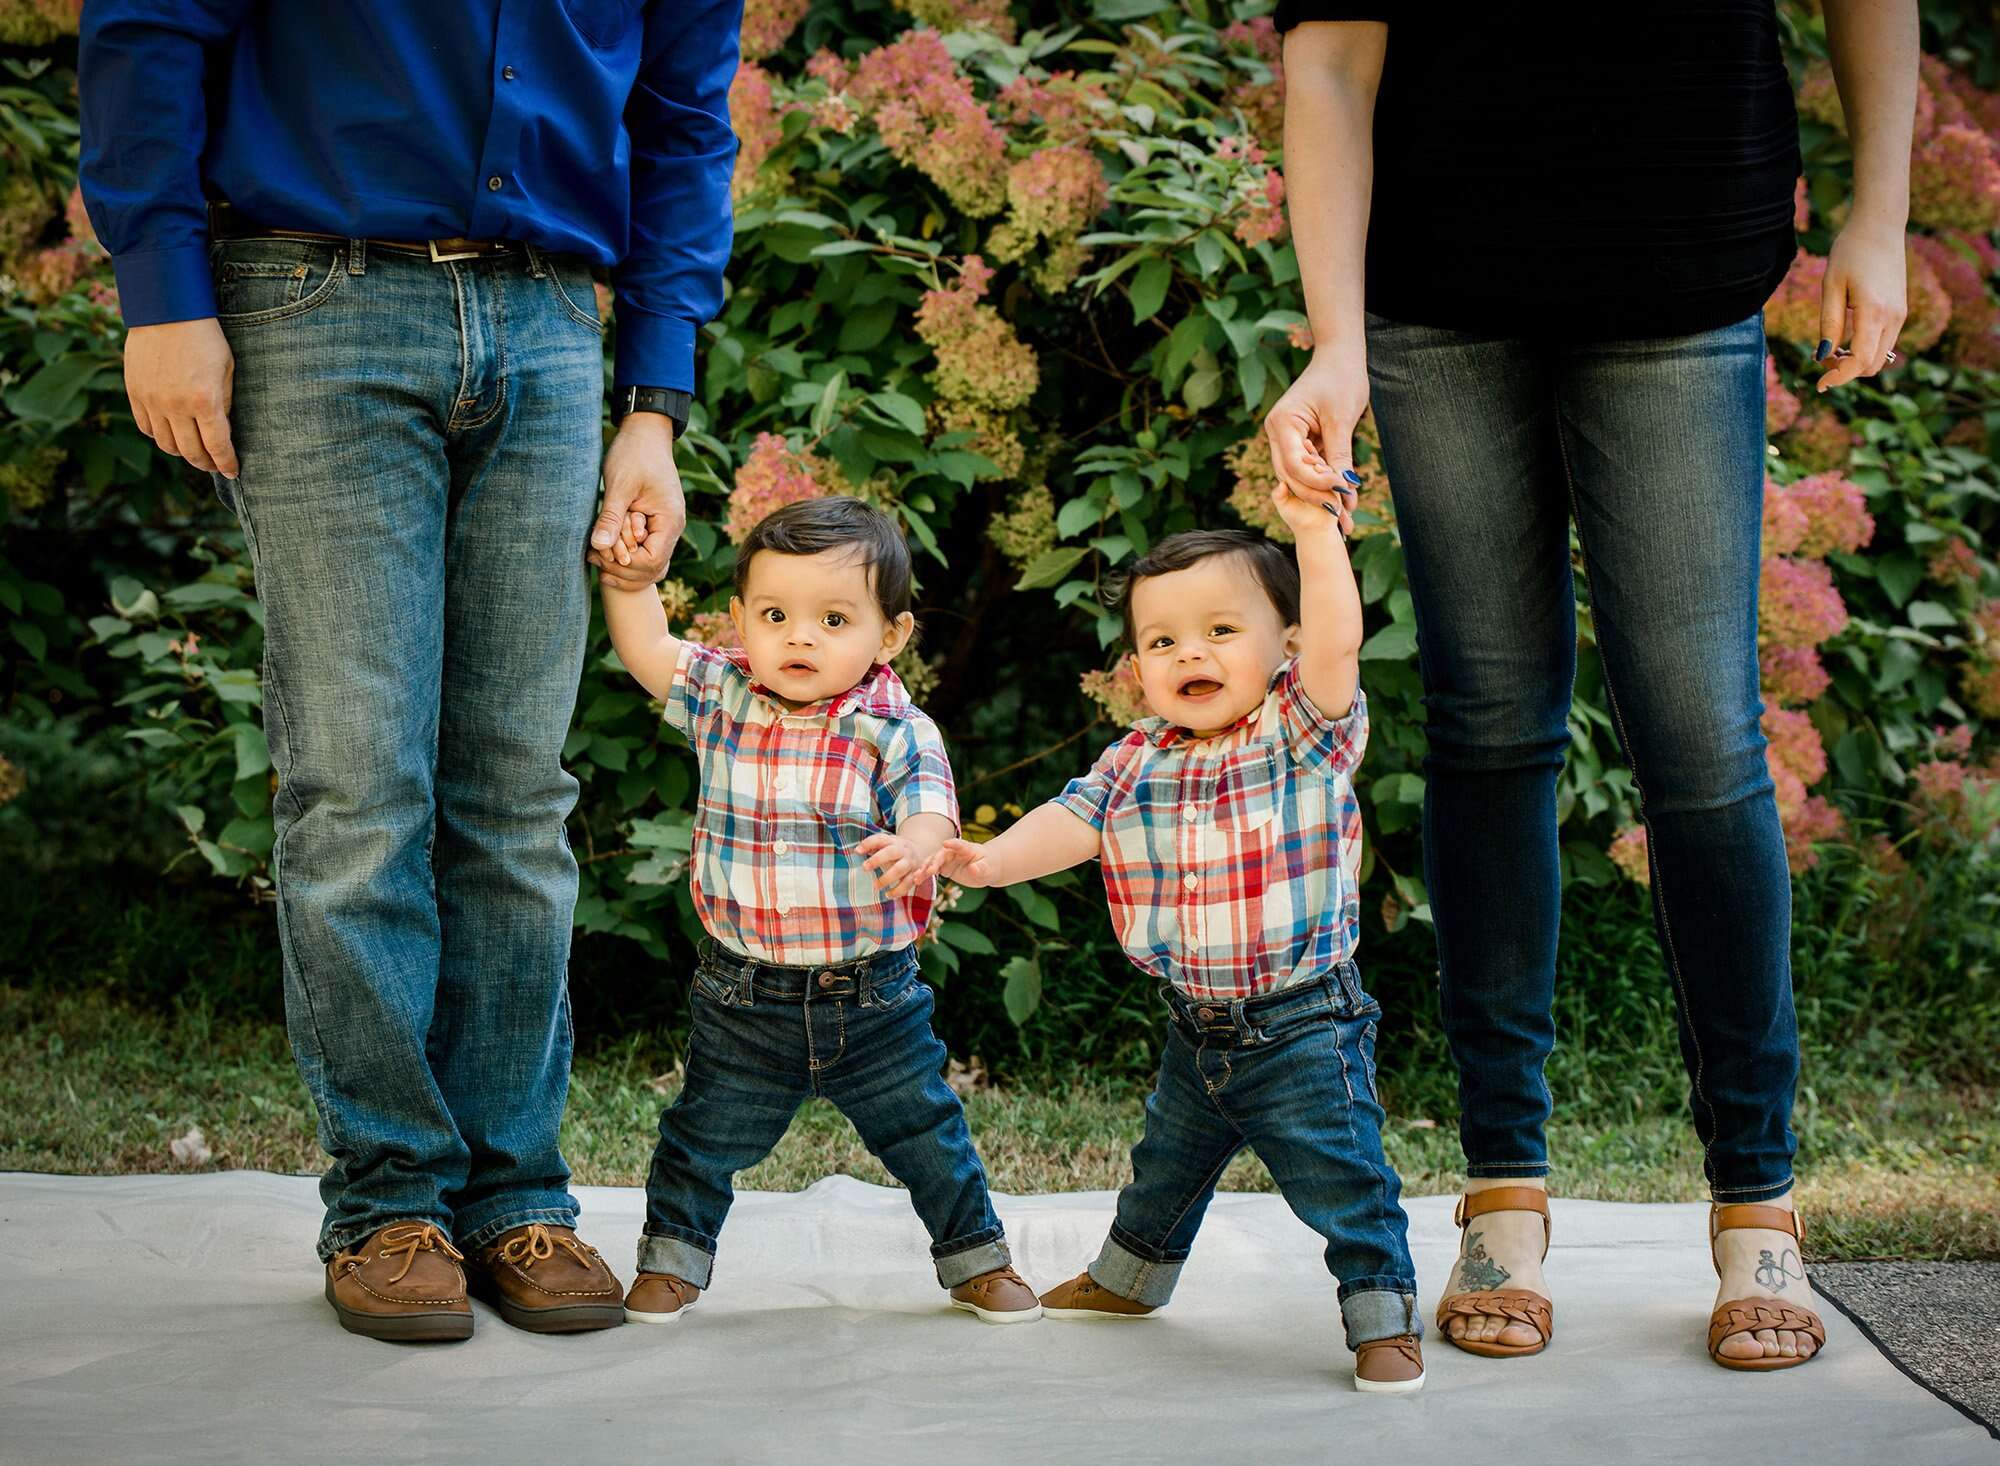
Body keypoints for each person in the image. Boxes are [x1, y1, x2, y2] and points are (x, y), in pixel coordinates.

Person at [76, 1, 745, 1341]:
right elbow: (150, 22)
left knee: (516, 793)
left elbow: (683, 125)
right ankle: (387, 1200)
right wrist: (161, 290)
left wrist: (656, 402)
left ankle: (514, 1196)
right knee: (357, 784)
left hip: (553, 324)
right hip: (315, 297)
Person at [1265, 0, 1918, 1370]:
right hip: (1435, 294)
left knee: (1702, 742)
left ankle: (1759, 1205)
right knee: (1490, 731)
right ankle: (1503, 1188)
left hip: (1681, 275)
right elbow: (1329, 49)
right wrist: (1334, 342)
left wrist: (1875, 216)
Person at [933, 514, 1427, 1393]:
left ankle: (1381, 1311)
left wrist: (1317, 535)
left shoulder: (1300, 731)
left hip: (1305, 1021)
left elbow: (1341, 639)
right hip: (1194, 1025)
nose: (1188, 653)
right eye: (1161, 640)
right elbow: (1072, 820)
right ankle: (1131, 1279)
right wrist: (991, 860)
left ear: (1289, 644)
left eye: (1221, 631)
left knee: (1343, 1174)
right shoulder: (1138, 759)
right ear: (1137, 668)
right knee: (1165, 1164)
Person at [600, 495, 1041, 1326]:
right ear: (740, 621)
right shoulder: (724, 695)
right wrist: (632, 580)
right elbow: (648, 646)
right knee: (700, 1138)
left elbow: (932, 810)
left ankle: (977, 1258)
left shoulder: (894, 729)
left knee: (927, 1136)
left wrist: (916, 843)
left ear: (891, 635)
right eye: (775, 615)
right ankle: (673, 1259)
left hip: (871, 998)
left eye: (834, 618)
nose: (800, 636)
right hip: (742, 998)